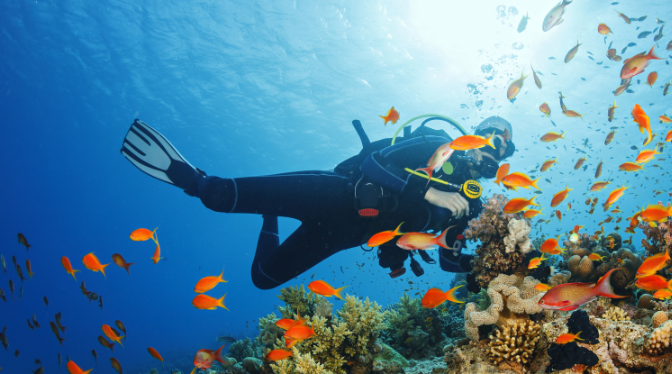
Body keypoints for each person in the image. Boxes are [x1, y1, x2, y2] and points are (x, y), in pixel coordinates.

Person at [120, 115, 515, 289]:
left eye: (505, 150)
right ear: (477, 136)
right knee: (217, 195)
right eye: (493, 141)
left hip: (346, 233)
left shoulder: (473, 206)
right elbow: (373, 164)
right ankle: (184, 173)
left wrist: (484, 271)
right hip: (336, 191)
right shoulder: (438, 146)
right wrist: (428, 190)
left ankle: (270, 217)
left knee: (262, 279)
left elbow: (448, 258)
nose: (496, 154)